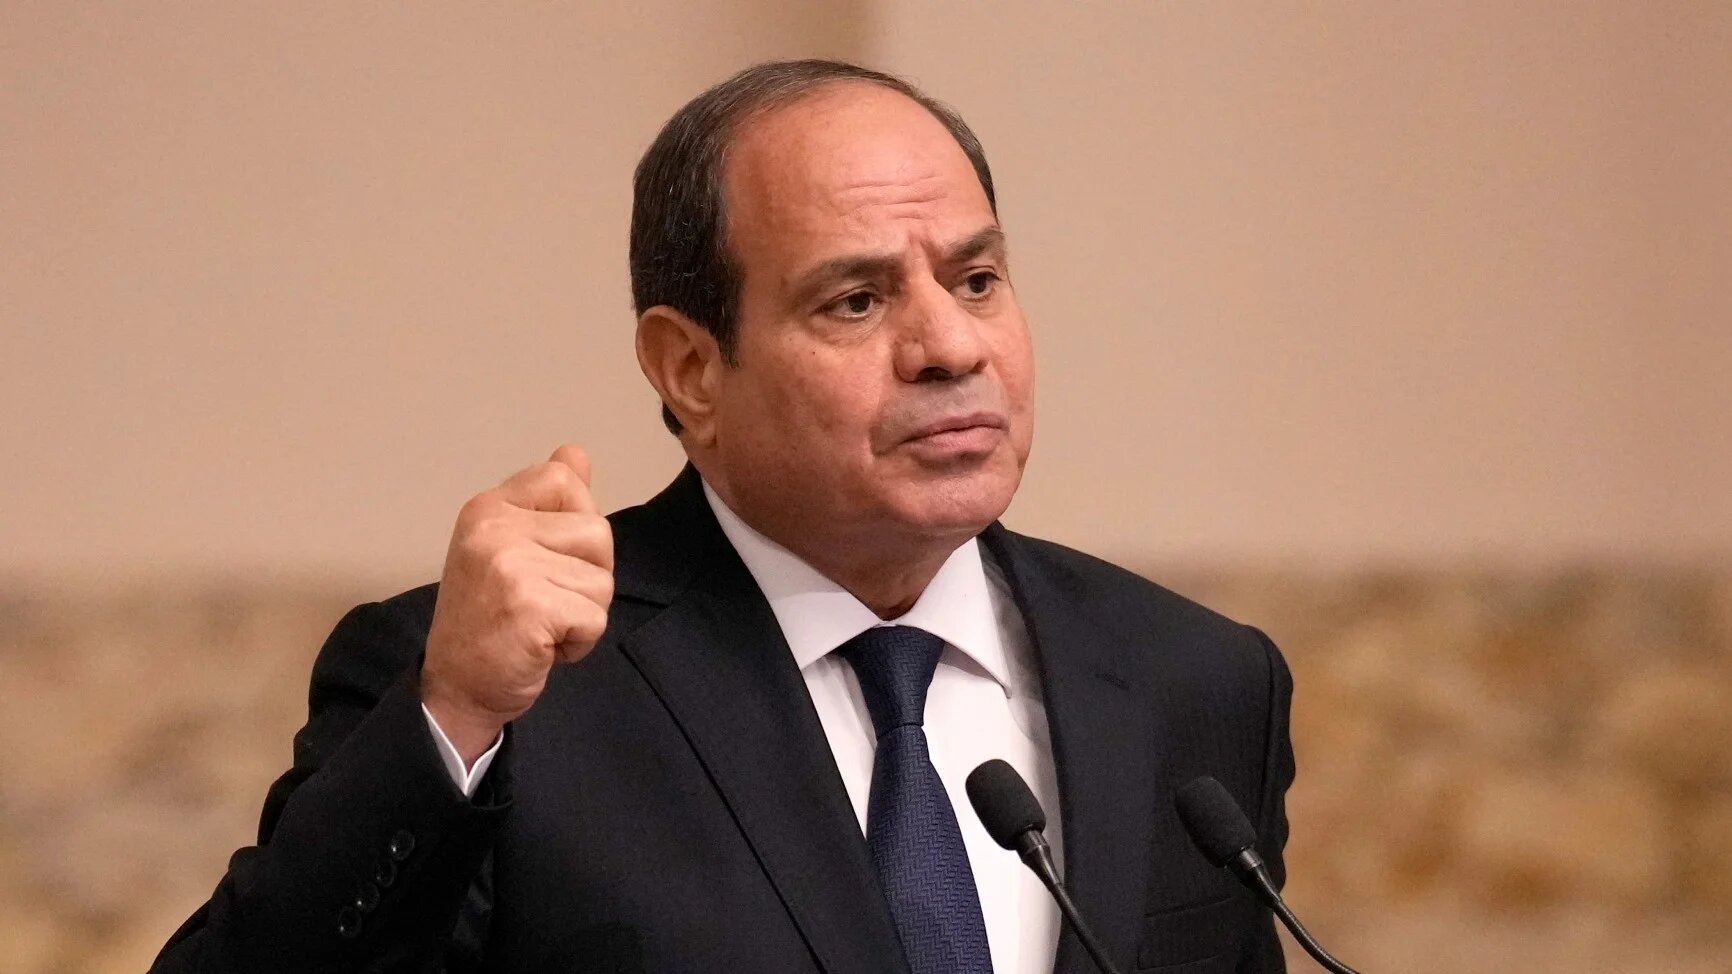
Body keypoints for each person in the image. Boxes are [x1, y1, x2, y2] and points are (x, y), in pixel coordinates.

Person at [152, 59, 1293, 974]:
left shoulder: (1192, 678)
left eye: (978, 279)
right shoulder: (508, 693)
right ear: (691, 366)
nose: (952, 345)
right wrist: (451, 718)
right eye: (856, 299)